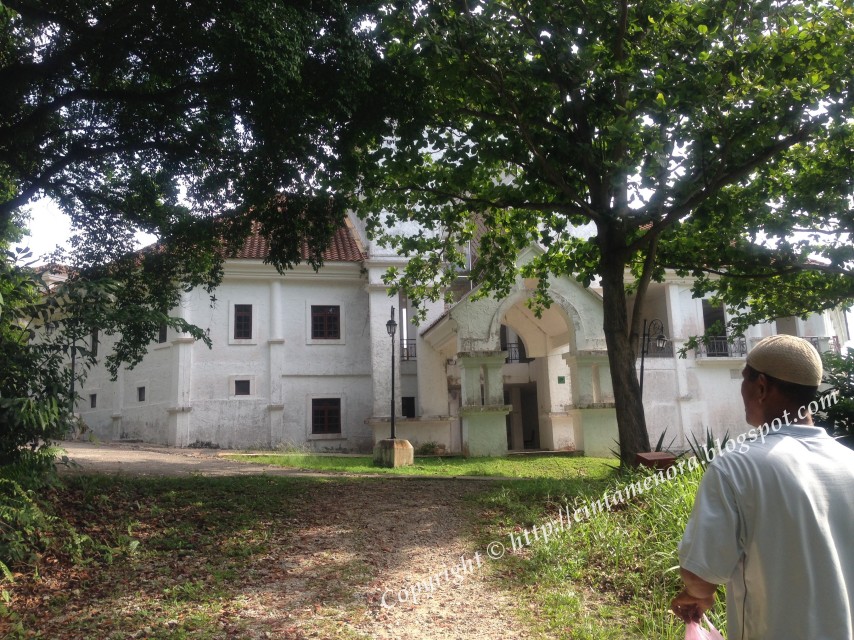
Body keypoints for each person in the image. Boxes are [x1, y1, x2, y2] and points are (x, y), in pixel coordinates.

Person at [671, 334, 854, 640]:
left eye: (744, 379)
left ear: (761, 387)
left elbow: (700, 577)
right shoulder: (848, 461)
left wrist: (699, 593)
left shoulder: (736, 466)